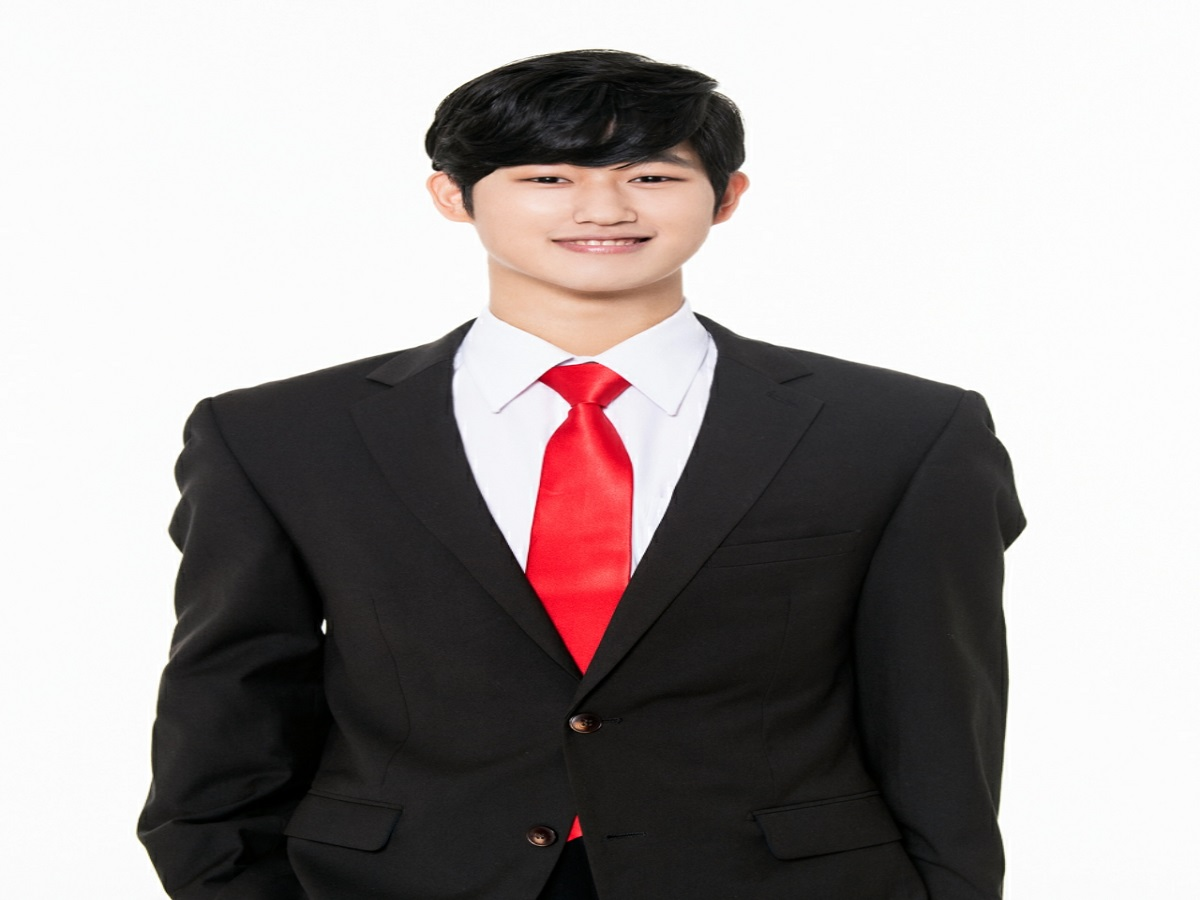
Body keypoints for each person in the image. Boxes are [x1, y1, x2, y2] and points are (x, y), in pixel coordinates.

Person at [139, 49, 1025, 900]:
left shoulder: (901, 432)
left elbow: (941, 721)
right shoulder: (280, 436)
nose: (603, 207)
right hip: (393, 879)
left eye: (653, 175)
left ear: (727, 197)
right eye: (548, 176)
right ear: (452, 195)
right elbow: (231, 708)